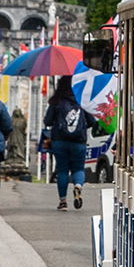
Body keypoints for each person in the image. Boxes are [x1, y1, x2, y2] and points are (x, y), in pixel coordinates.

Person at [41, 76, 93, 211]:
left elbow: (47, 121)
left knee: (62, 170)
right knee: (78, 169)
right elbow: (92, 122)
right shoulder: (81, 100)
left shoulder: (56, 100)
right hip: (79, 141)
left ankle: (63, 202)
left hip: (59, 141)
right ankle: (78, 187)